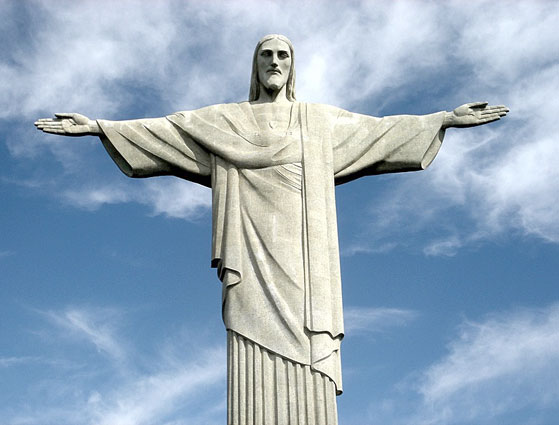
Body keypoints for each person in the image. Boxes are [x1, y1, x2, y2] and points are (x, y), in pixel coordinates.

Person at [35, 34, 508, 425]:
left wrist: (444, 118)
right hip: (249, 252)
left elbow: (380, 131)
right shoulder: (226, 121)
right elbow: (168, 131)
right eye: (267, 55)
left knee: (307, 342)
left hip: (305, 257)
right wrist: (99, 127)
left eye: (283, 55)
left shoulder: (318, 121)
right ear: (255, 65)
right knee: (250, 337)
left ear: (292, 66)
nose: (275, 62)